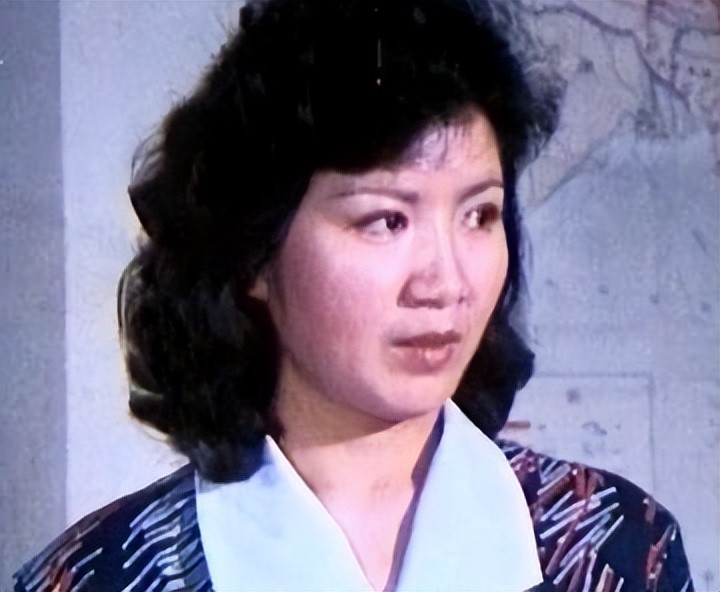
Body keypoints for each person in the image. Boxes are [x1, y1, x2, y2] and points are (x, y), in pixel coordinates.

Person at [14, 0, 694, 590]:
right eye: (385, 221)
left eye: (479, 216)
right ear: (253, 254)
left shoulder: (618, 551)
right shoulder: (98, 576)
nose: (446, 282)